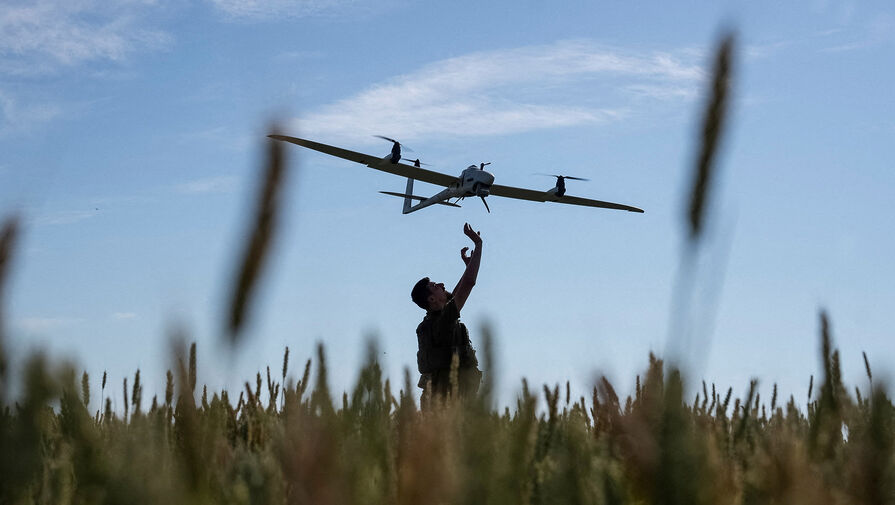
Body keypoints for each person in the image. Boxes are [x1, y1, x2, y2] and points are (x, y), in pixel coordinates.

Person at [410, 223, 484, 404]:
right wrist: (479, 245)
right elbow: (469, 284)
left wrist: (468, 266)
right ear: (431, 300)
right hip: (450, 404)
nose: (442, 285)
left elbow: (458, 293)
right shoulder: (442, 322)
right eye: (434, 287)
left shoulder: (438, 319)